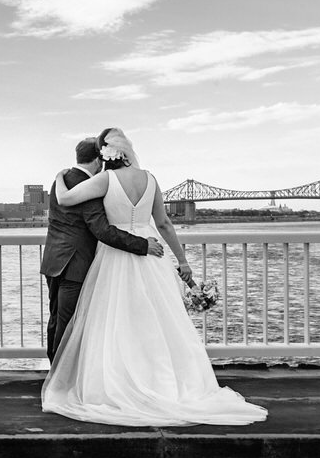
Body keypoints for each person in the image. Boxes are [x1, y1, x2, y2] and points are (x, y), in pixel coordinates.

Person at [41, 128, 267, 426]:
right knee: (157, 320)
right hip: (152, 254)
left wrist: (58, 177)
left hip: (117, 256)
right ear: (127, 152)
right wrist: (183, 262)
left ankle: (115, 381)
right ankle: (164, 383)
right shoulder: (151, 179)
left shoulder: (105, 180)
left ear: (106, 155)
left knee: (115, 321)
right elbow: (164, 223)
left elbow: (67, 198)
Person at [40, 137, 164, 363]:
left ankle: (54, 371)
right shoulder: (88, 187)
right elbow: (102, 230)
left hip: (53, 261)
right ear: (98, 159)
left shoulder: (63, 179)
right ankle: (60, 378)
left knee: (57, 320)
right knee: (69, 324)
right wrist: (143, 244)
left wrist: (58, 175)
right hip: (74, 265)